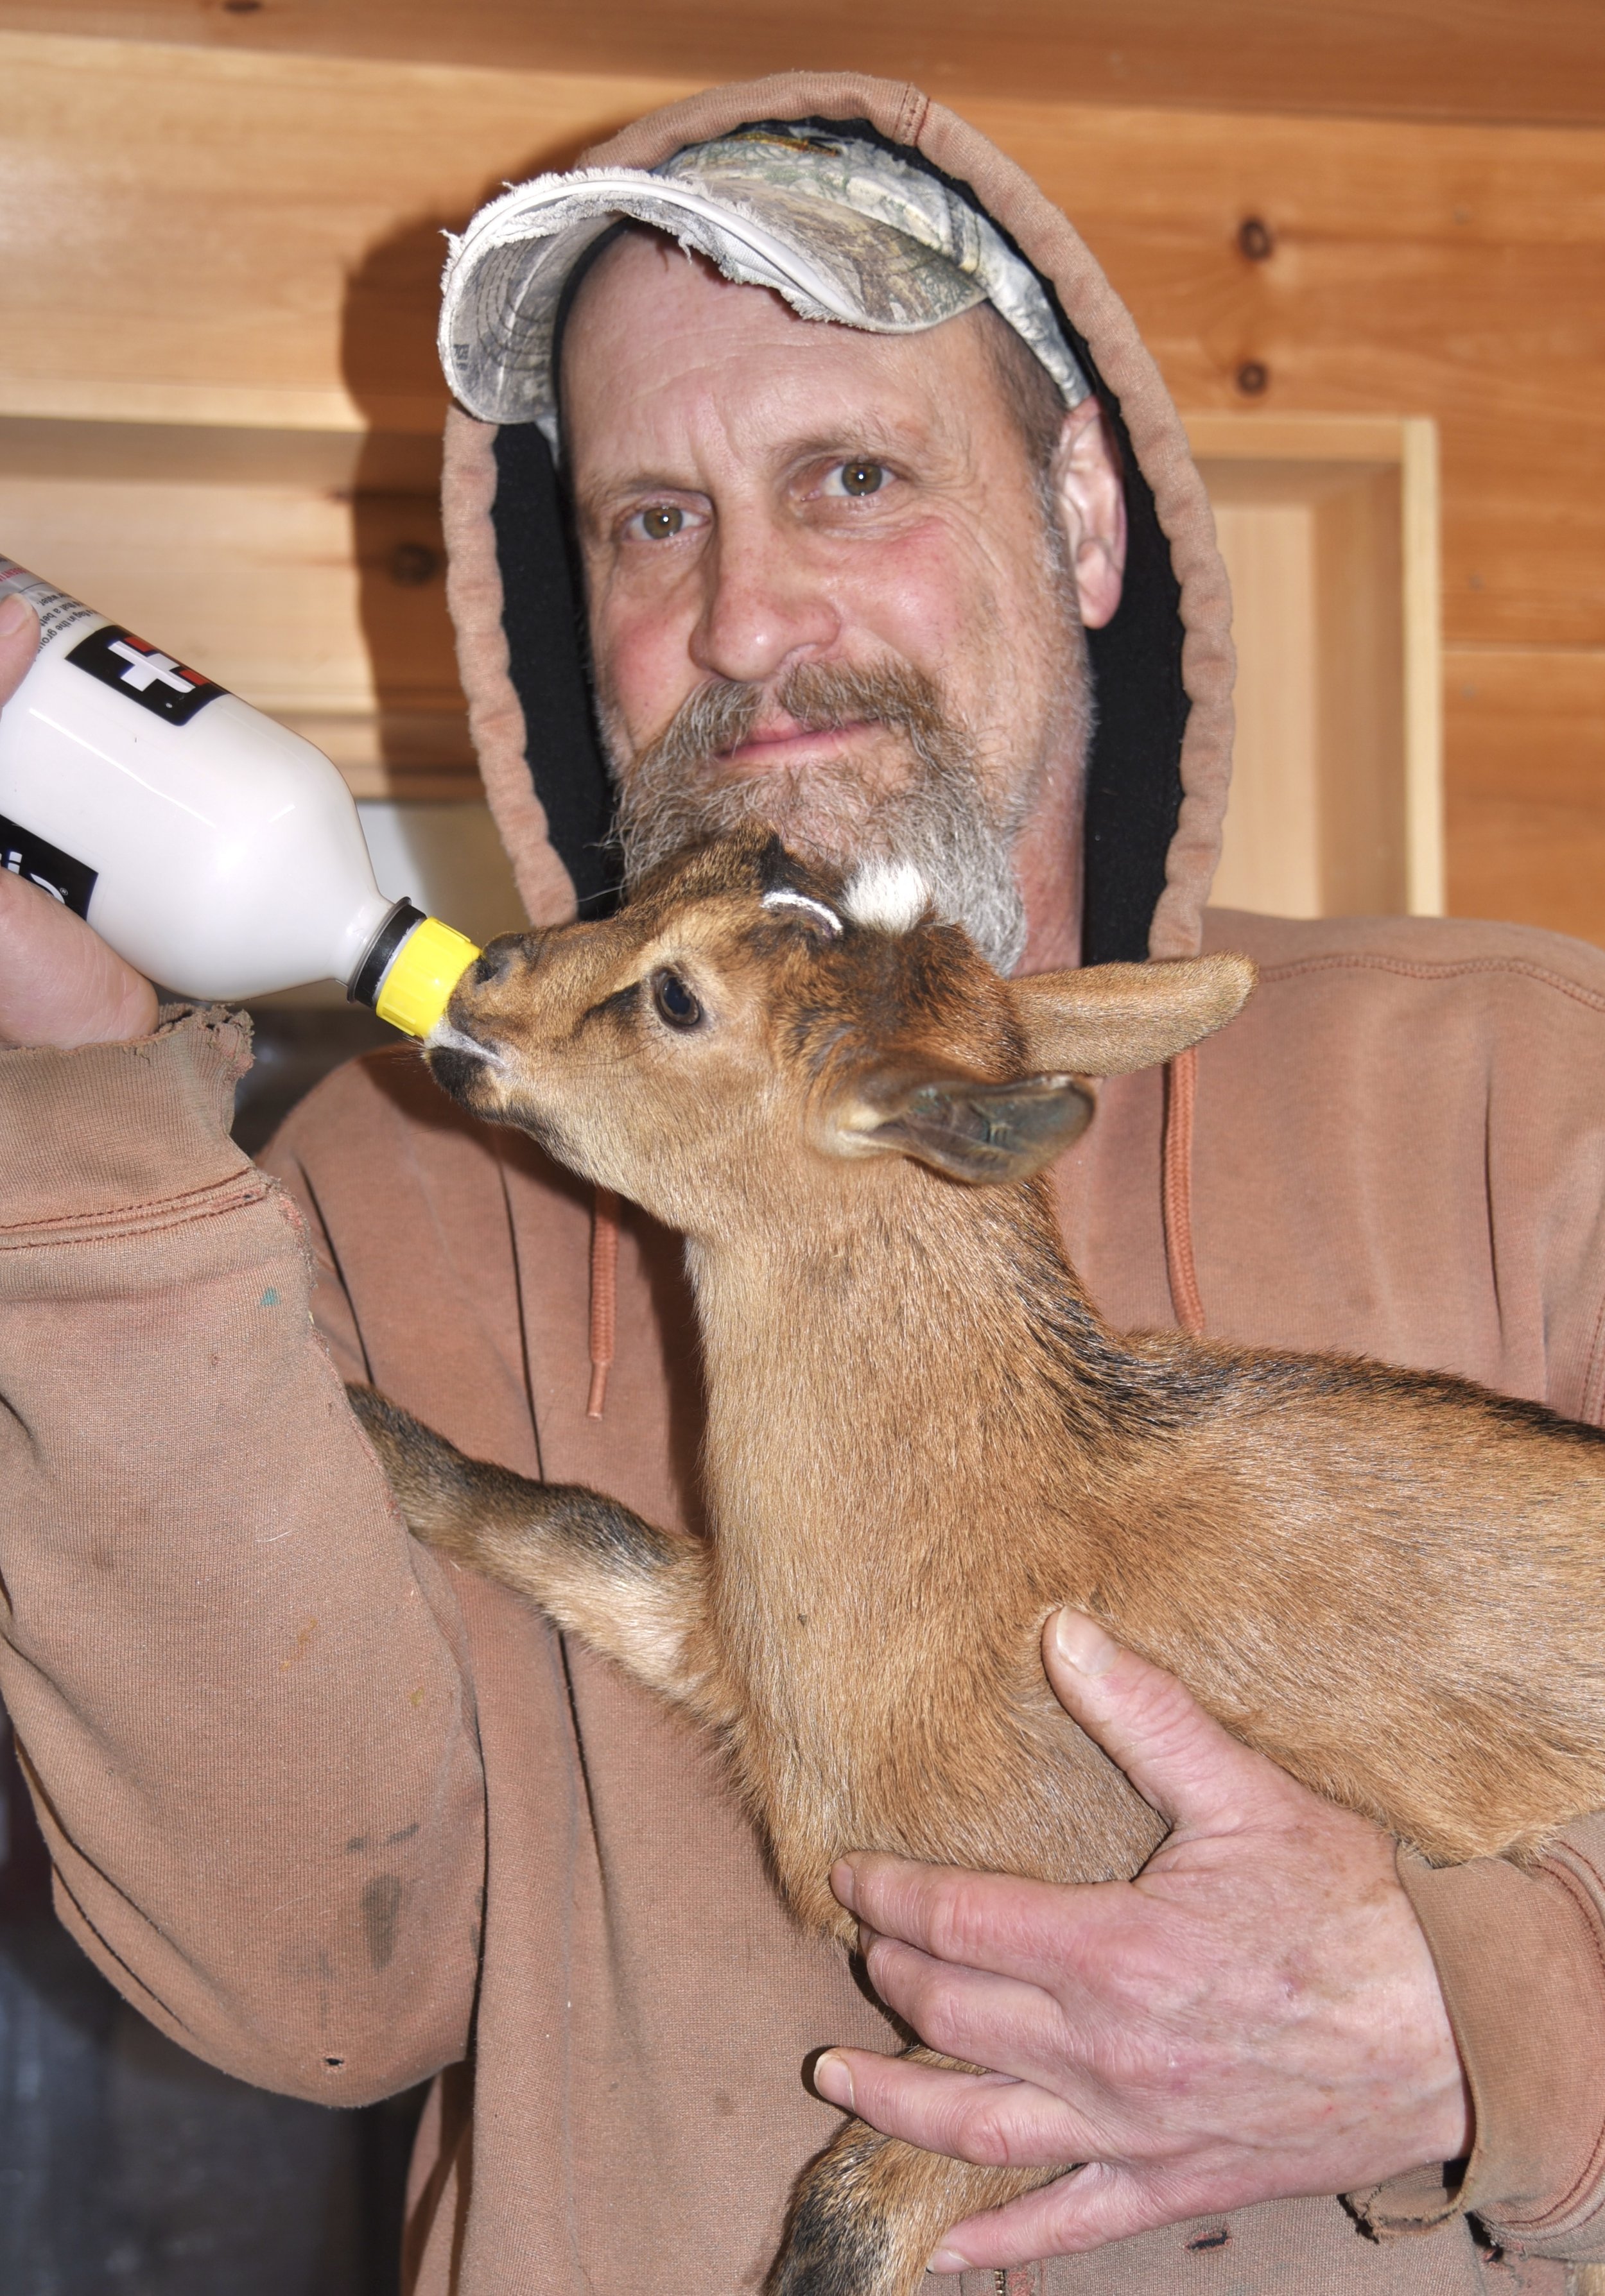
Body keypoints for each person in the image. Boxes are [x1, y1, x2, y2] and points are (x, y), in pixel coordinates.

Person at [3, 74, 1605, 2295]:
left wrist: (1485, 2029)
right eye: (651, 522)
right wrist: (82, 1133)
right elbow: (303, 1982)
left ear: (1079, 520)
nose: (747, 619)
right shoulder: (377, 1189)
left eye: (848, 477)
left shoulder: (1519, 1089)